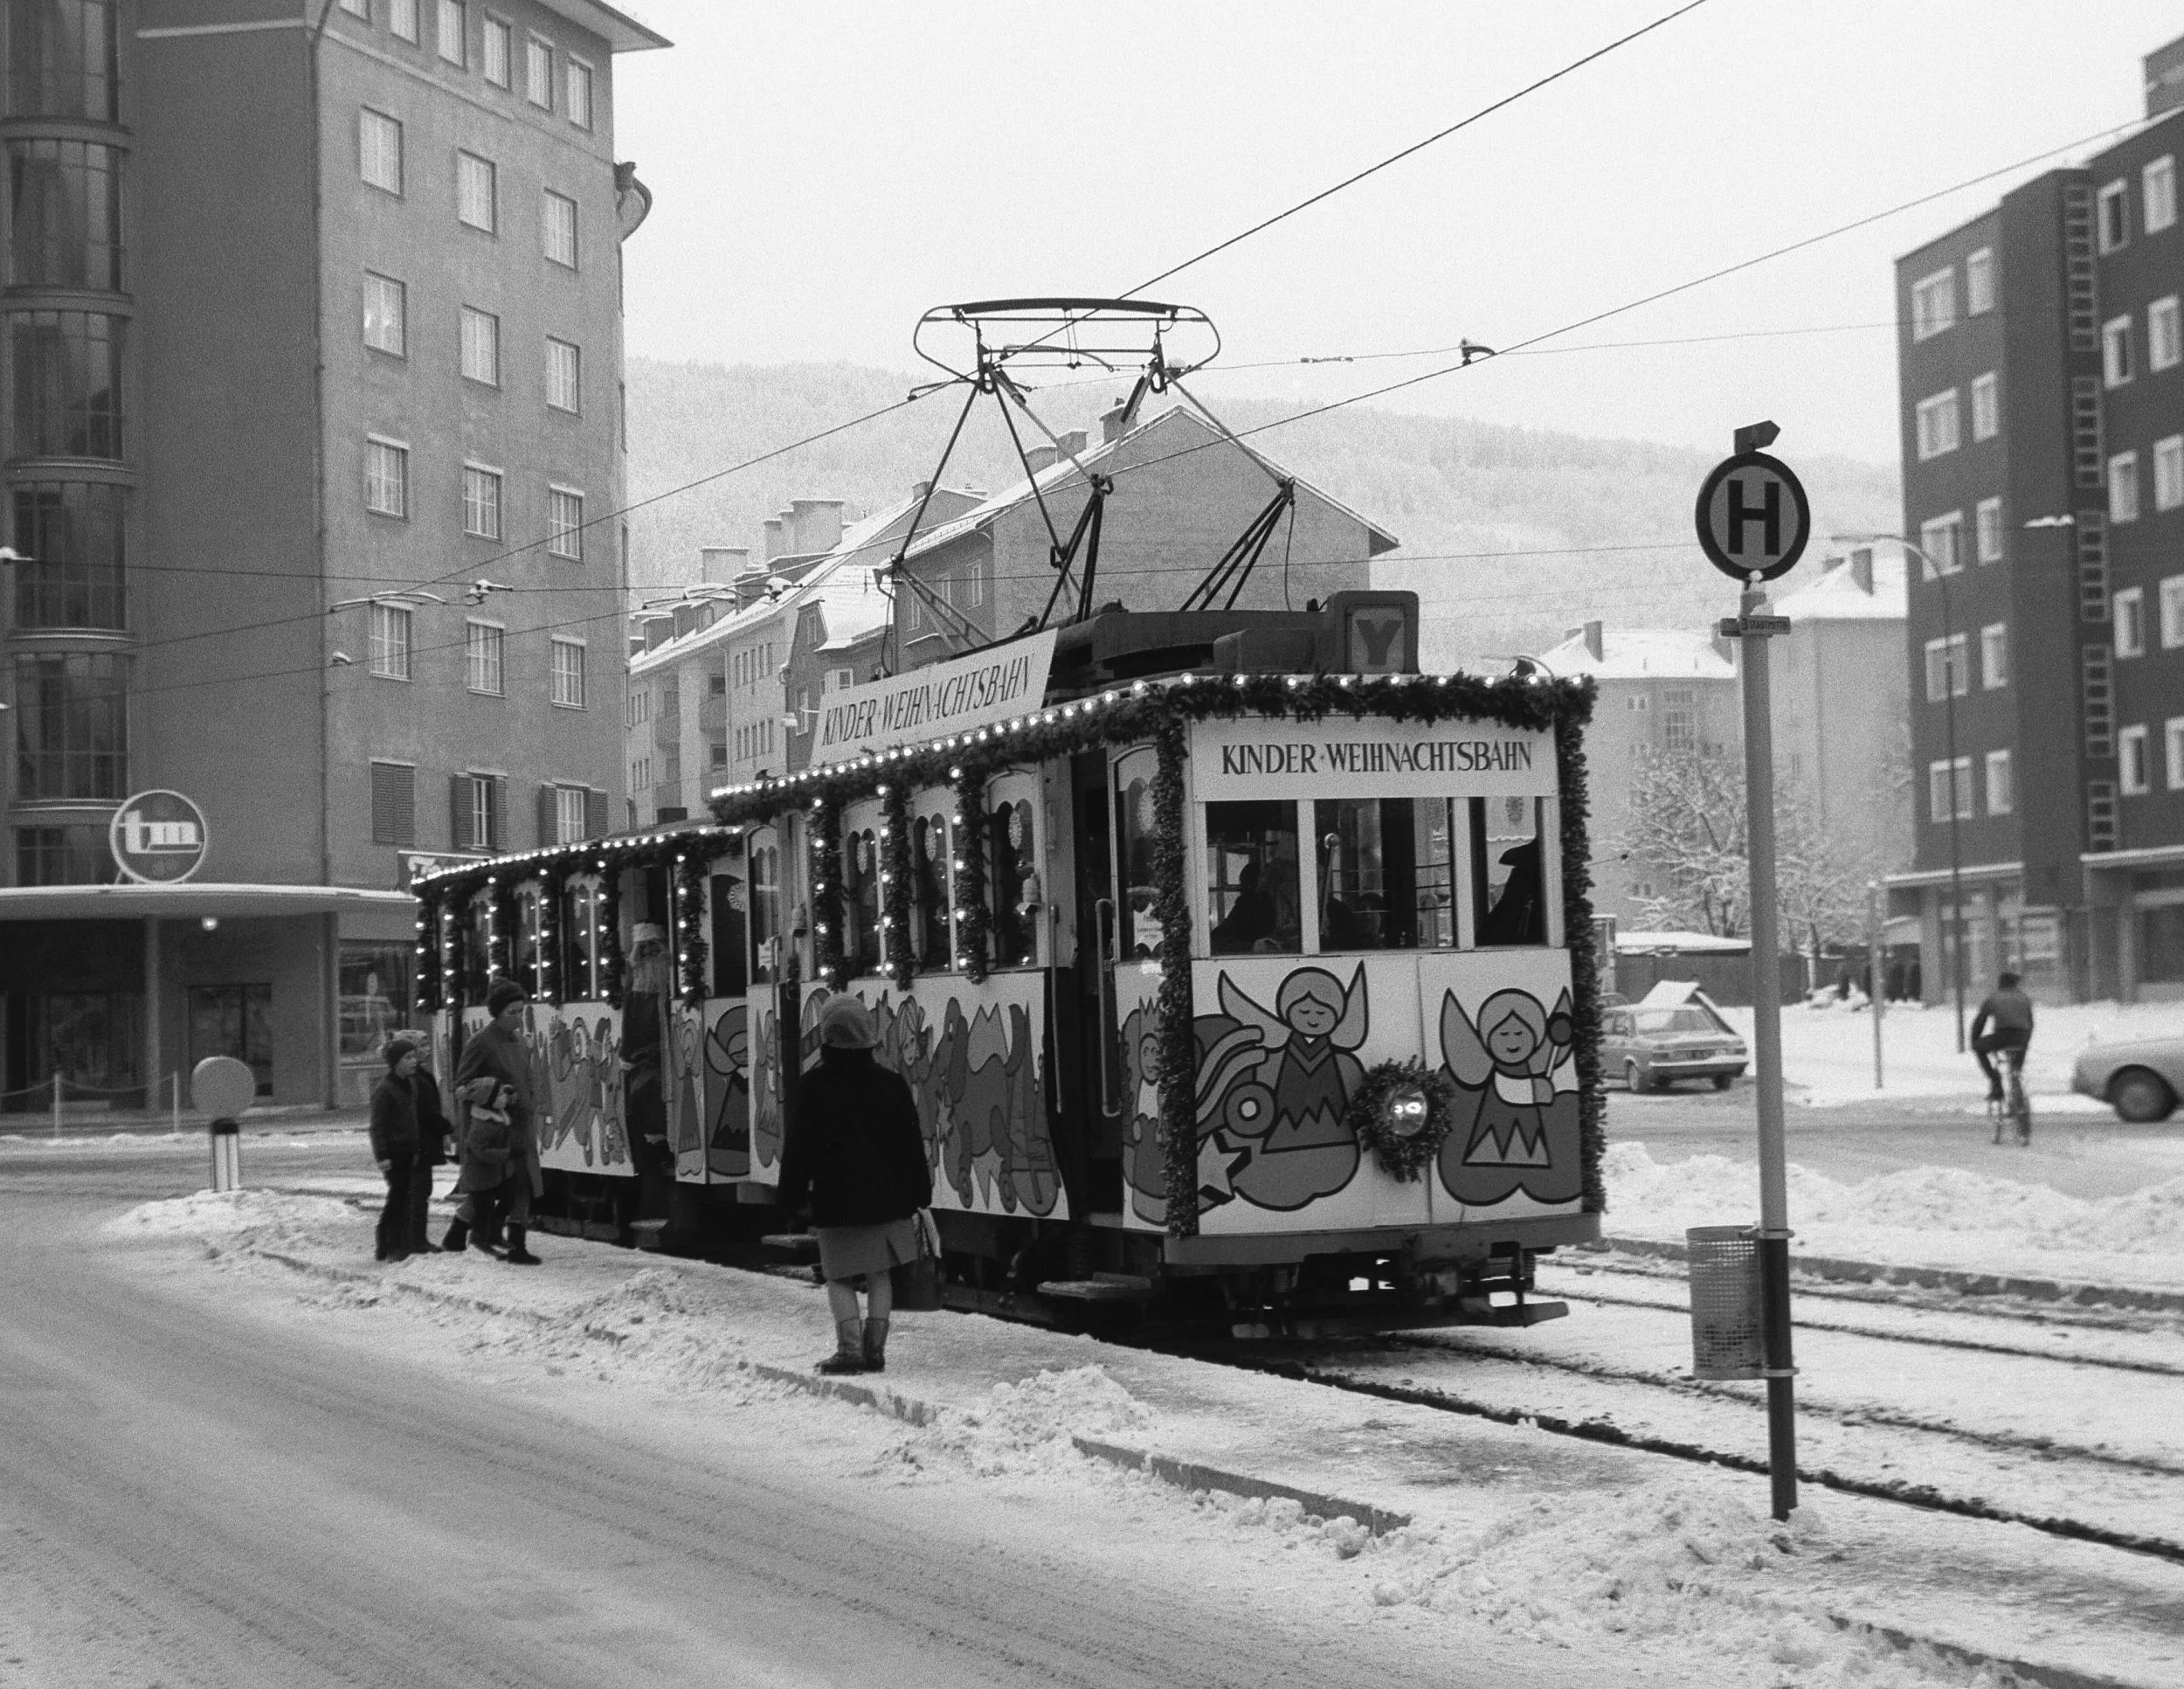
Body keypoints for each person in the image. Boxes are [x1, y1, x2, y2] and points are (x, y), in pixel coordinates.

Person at [777, 994, 932, 1374]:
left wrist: (790, 1196)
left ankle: (849, 1351)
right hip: (889, 1198)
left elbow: (799, 1146)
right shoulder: (892, 1084)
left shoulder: (813, 1086)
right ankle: (875, 1351)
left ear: (827, 1037)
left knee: (839, 1276)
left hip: (837, 1200)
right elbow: (911, 1143)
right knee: (880, 1275)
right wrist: (920, 1192)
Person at [446, 977, 543, 1265]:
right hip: (496, 1127)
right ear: (497, 1013)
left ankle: (496, 1237)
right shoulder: (482, 1043)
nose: (518, 1017)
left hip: (520, 1124)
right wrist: (494, 1095)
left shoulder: (519, 1042)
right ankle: (498, 1239)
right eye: (512, 1012)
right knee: (496, 1188)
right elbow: (463, 1085)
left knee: (520, 1185)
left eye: (521, 1010)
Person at [617, 922, 676, 1236]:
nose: (651, 953)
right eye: (645, 948)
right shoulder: (636, 989)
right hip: (645, 1063)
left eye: (656, 946)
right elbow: (630, 1030)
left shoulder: (667, 981)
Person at [369, 1035, 427, 1263]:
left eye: (414, 1056)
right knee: (399, 1197)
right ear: (396, 1062)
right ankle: (393, 1245)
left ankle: (385, 1243)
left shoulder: (409, 1084)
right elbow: (377, 1126)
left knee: (401, 1196)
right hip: (393, 1153)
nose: (414, 1061)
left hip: (408, 1149)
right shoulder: (385, 1089)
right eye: (408, 1057)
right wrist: (382, 1155)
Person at [407, 1056, 454, 1255]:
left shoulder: (418, 1076)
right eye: (421, 1044)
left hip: (421, 1143)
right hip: (419, 1144)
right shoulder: (415, 1079)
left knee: (419, 1192)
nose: (426, 1049)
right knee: (418, 1192)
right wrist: (446, 1127)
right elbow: (426, 1112)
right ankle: (415, 1240)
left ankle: (415, 1239)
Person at [1970, 970, 2035, 1103]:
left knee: (1979, 1048)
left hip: (2002, 1037)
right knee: (2016, 1066)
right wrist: (2026, 1042)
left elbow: (1980, 1022)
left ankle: (1996, 1083)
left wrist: (1974, 1040)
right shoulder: (2024, 998)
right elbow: (2030, 1022)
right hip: (2021, 1037)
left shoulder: (1994, 998)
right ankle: (2017, 1079)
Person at [1210, 860, 1276, 955]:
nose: (1266, 880)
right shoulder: (1247, 904)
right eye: (1262, 876)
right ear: (1253, 880)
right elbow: (1225, 932)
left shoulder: (1267, 901)